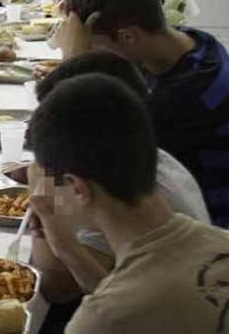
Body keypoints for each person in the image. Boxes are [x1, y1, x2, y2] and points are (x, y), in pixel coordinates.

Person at [28, 73, 229, 334]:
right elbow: (136, 294)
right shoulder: (217, 240)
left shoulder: (103, 320)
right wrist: (65, 247)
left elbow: (125, 306)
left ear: (77, 188)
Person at [56, 0, 229, 227]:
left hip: (206, 231)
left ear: (128, 37)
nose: (93, 56)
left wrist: (72, 60)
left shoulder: (188, 94)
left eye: (95, 47)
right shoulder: (193, 42)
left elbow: (85, 142)